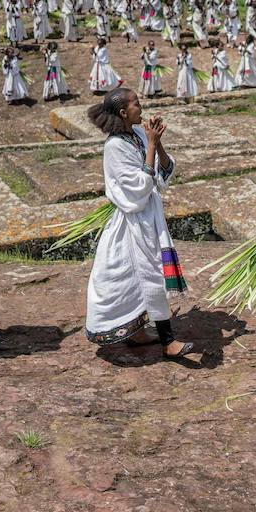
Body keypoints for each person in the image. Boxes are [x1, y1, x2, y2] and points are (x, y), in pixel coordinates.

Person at [84, 89, 195, 359]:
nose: (141, 107)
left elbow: (162, 173)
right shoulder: (114, 147)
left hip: (149, 218)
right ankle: (168, 341)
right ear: (123, 112)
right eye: (136, 103)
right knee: (151, 275)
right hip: (133, 222)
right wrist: (152, 145)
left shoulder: (135, 137)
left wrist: (158, 143)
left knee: (139, 278)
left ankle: (137, 331)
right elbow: (137, 189)